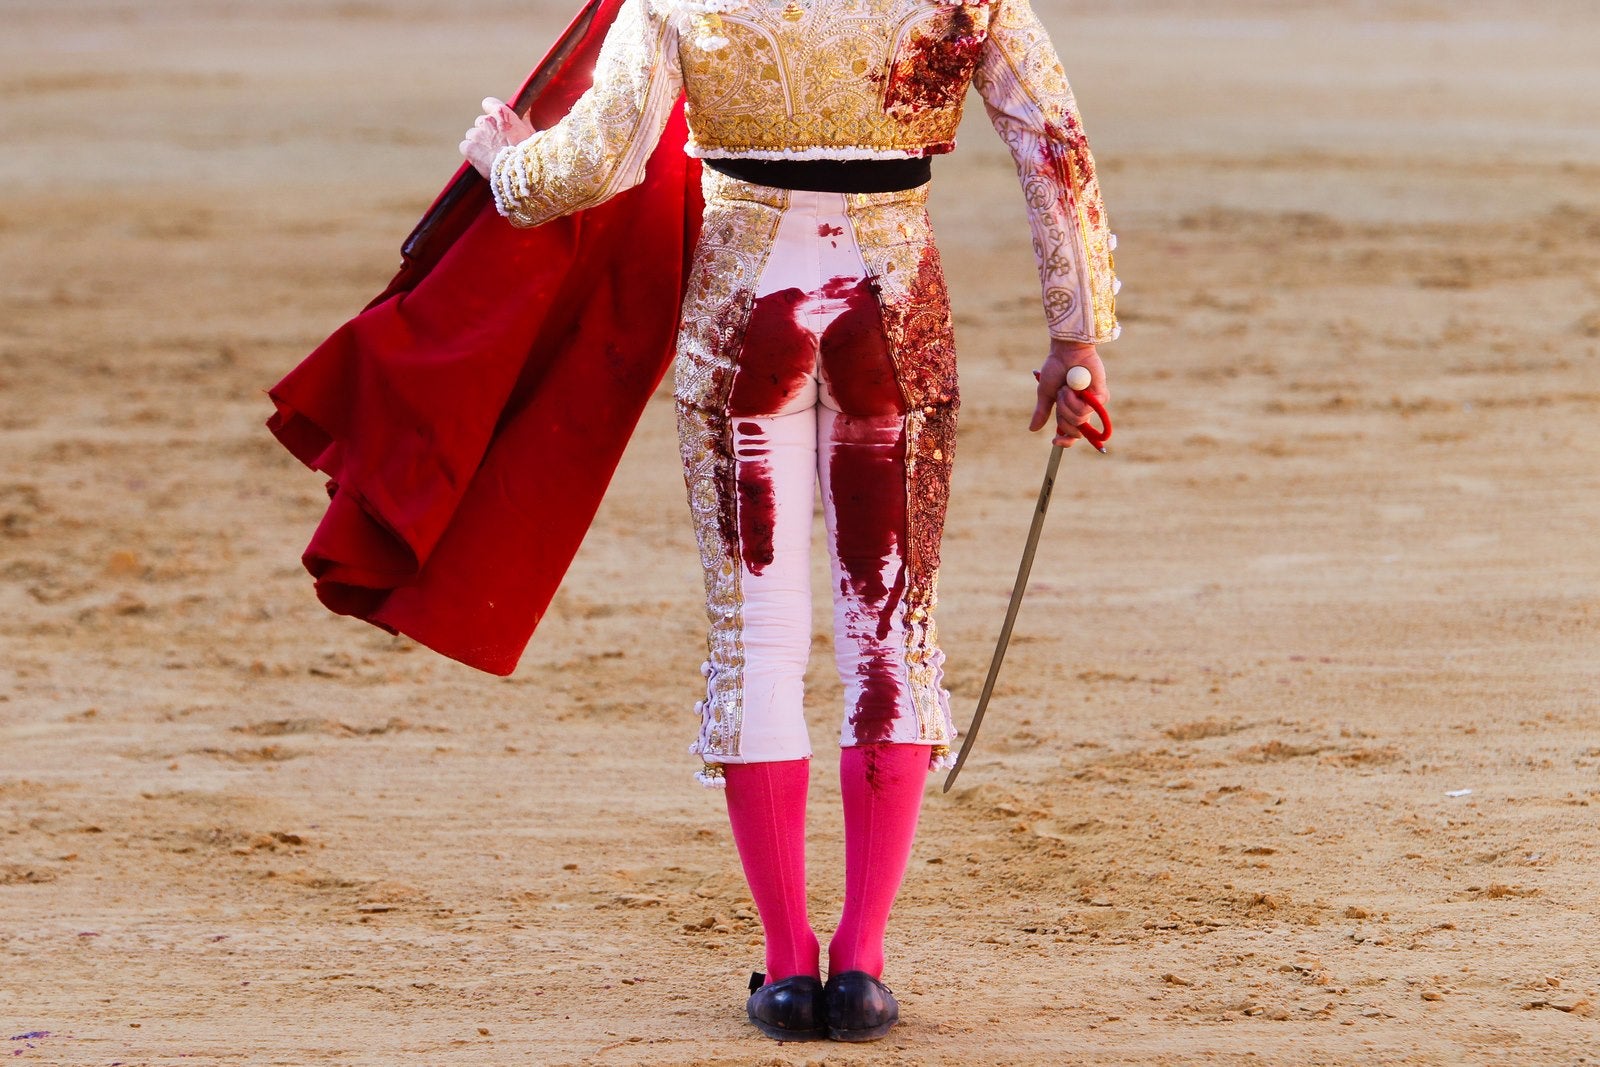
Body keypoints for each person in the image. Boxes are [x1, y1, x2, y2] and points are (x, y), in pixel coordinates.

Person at [459, 0, 1118, 1043]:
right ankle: (859, 962)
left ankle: (782, 961)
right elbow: (1054, 144)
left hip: (743, 304)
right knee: (889, 633)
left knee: (756, 637)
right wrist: (1075, 340)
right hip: (891, 302)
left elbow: (600, 161)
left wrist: (506, 167)